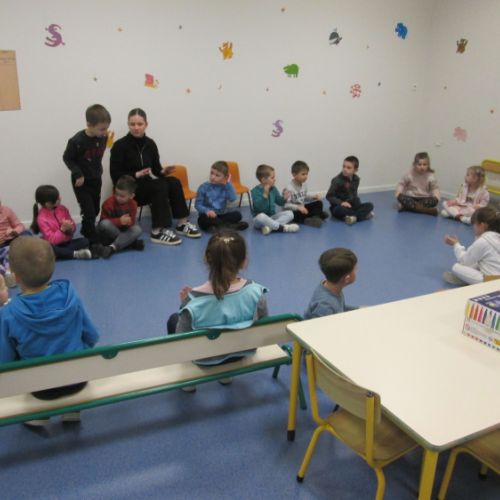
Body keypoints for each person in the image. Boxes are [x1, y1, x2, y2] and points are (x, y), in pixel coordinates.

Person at [0, 236, 100, 425]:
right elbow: (92, 335)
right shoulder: (71, 296)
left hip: (41, 389)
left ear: (15, 276)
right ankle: (72, 409)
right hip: (77, 379)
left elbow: (5, 360)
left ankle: (39, 414)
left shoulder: (8, 313)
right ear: (53, 267)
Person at [167, 229, 268, 391]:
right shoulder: (256, 292)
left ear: (206, 259)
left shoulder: (194, 300)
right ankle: (225, 375)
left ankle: (188, 381)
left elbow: (181, 338)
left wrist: (184, 306)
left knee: (173, 319)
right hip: (242, 352)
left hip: (206, 359)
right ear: (244, 262)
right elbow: (263, 324)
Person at [110, 108, 200, 245]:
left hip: (146, 186)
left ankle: (182, 223)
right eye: (132, 124)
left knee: (174, 181)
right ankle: (158, 231)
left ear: (146, 124)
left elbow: (156, 170)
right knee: (159, 185)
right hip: (129, 190)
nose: (136, 127)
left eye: (140, 124)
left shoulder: (150, 144)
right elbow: (115, 175)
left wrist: (163, 172)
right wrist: (136, 174)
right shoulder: (119, 145)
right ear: (128, 124)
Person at [63, 104, 111, 243]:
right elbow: (67, 158)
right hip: (81, 181)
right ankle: (91, 237)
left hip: (96, 178)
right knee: (88, 211)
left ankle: (86, 229)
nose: (104, 132)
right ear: (89, 124)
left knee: (95, 209)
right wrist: (78, 174)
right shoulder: (77, 141)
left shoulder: (103, 137)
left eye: (106, 128)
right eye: (101, 129)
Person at [31, 185, 96, 260]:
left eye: (59, 196)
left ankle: (63, 253)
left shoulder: (62, 209)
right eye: (57, 199)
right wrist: (62, 230)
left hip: (66, 242)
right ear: (48, 204)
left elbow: (73, 228)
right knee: (50, 248)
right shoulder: (41, 218)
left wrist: (70, 228)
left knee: (85, 241)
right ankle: (74, 254)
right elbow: (51, 240)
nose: (60, 198)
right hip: (54, 245)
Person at [443, 207, 500, 285]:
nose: (473, 227)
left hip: (492, 283)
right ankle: (466, 279)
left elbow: (464, 260)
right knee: (477, 262)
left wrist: (456, 244)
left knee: (456, 267)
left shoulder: (483, 241)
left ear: (482, 225)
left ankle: (466, 280)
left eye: (474, 224)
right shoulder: (496, 237)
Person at [304, 248, 359, 319]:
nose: (357, 270)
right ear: (347, 279)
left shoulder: (330, 286)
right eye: (355, 269)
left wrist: (358, 309)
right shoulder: (324, 306)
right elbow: (320, 325)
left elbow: (340, 308)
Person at [97, 175, 143, 258]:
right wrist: (120, 221)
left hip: (122, 231)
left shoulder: (133, 204)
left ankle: (112, 248)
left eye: (122, 196)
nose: (118, 197)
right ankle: (130, 243)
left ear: (131, 196)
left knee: (137, 229)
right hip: (109, 232)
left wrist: (128, 222)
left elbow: (132, 223)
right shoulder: (108, 203)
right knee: (105, 224)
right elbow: (102, 223)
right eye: (116, 194)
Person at [195, 161, 248, 232]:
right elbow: (197, 205)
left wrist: (228, 183)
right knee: (203, 221)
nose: (213, 177)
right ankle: (230, 227)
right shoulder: (203, 187)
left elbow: (232, 199)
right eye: (211, 173)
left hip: (221, 215)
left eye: (217, 175)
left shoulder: (226, 186)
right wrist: (207, 211)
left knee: (237, 215)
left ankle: (220, 227)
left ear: (225, 177)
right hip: (207, 216)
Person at [251, 164, 299, 235]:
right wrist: (265, 195)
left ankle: (269, 228)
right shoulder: (255, 191)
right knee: (261, 216)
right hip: (260, 221)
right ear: (263, 180)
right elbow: (260, 208)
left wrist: (284, 198)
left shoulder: (273, 189)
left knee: (290, 213)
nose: (274, 179)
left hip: (272, 217)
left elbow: (279, 202)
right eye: (272, 177)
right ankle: (283, 228)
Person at [326, 156, 374, 224]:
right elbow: (329, 196)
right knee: (339, 210)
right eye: (344, 166)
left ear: (355, 170)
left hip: (351, 205)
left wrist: (355, 202)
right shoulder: (337, 180)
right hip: (339, 206)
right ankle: (362, 215)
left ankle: (353, 217)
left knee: (370, 205)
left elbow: (354, 193)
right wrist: (342, 203)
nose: (345, 169)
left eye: (348, 168)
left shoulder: (356, 179)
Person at [283, 161, 328, 227]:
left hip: (302, 209)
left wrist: (313, 197)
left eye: (307, 174)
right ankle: (313, 217)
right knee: (295, 215)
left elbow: (304, 196)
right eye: (303, 174)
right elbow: (285, 205)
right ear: (294, 174)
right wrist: (298, 207)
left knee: (319, 203)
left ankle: (316, 216)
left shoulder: (304, 185)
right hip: (293, 211)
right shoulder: (288, 188)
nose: (306, 176)